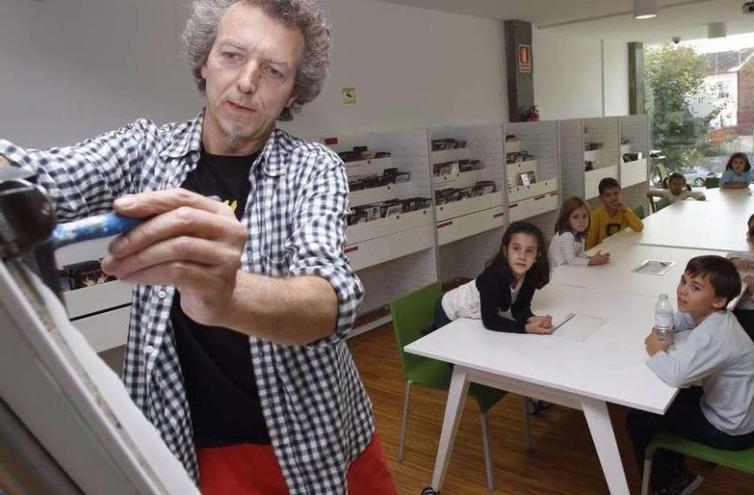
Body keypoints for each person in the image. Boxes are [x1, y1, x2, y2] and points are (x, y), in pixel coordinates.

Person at [0, 1, 395, 494]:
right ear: (204, 61)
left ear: (294, 90)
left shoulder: (313, 168)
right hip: (186, 448)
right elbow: (37, 177)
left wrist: (227, 296)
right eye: (232, 55)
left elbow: (329, 300)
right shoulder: (144, 150)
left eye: (273, 70)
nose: (247, 80)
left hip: (317, 443)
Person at [626, 255, 754, 495]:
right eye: (683, 282)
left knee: (639, 418)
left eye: (695, 288)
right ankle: (675, 466)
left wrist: (655, 350)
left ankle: (671, 484)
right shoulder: (718, 316)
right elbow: (685, 318)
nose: (683, 291)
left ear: (719, 300)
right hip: (747, 413)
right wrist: (665, 327)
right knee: (670, 402)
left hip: (734, 430)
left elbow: (676, 376)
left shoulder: (714, 335)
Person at [435, 221, 554, 334]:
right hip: (449, 311)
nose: (522, 256)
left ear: (537, 256)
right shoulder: (491, 278)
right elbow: (490, 321)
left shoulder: (529, 274)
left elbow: (519, 308)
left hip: (474, 317)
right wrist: (526, 328)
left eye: (529, 251)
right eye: (516, 248)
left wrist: (531, 319)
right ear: (505, 251)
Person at [548, 196, 611, 269]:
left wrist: (594, 258)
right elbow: (571, 260)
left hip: (569, 271)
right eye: (575, 217)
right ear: (567, 220)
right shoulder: (566, 236)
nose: (581, 221)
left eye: (584, 216)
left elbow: (581, 257)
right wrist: (592, 261)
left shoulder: (578, 235)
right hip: (559, 276)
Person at [586, 177, 644, 249]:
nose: (613, 198)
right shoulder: (596, 215)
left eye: (616, 193)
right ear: (601, 198)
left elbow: (639, 227)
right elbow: (590, 243)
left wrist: (625, 209)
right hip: (603, 251)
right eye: (608, 195)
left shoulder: (624, 211)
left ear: (621, 194)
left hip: (620, 248)